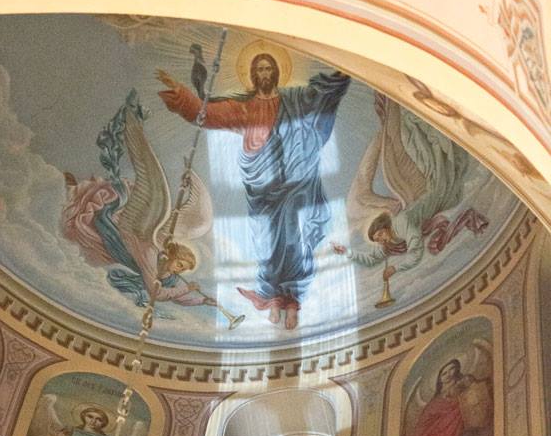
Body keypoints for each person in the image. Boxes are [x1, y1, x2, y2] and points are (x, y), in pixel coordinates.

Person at [157, 52, 350, 329]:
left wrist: (341, 74)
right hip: (261, 185)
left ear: (277, 73)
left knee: (294, 238)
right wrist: (181, 93)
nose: (264, 74)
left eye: (268, 68)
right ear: (252, 75)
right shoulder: (244, 108)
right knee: (267, 243)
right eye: (259, 69)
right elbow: (207, 114)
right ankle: (273, 298)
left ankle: (293, 300)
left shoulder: (295, 99)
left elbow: (322, 98)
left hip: (294, 181)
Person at [332, 102, 488, 282]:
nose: (380, 240)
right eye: (377, 239)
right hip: (420, 210)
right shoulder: (389, 240)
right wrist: (346, 252)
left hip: (433, 199)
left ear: (385, 227)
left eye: (379, 235)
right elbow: (371, 260)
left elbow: (416, 250)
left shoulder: (402, 223)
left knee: (403, 159)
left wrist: (396, 268)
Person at [61, 174, 214, 308]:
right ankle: (71, 189)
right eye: (180, 264)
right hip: (116, 234)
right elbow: (157, 294)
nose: (179, 271)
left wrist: (202, 300)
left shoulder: (167, 273)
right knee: (88, 215)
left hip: (119, 249)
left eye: (183, 269)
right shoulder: (151, 255)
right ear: (171, 255)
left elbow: (175, 295)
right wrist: (187, 289)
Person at [411, 359, 493, 436]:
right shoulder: (434, 403)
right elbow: (423, 425)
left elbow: (479, 395)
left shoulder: (466, 383)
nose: (448, 374)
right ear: (439, 379)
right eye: (444, 373)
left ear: (456, 369)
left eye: (451, 369)